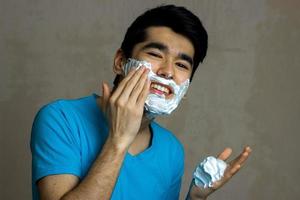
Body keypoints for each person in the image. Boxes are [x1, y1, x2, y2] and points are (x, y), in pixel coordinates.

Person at [30, 4, 251, 200]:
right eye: (156, 54)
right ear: (120, 61)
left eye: (182, 65)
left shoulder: (171, 150)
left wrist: (195, 198)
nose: (167, 72)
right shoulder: (60, 118)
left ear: (186, 89)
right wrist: (118, 141)